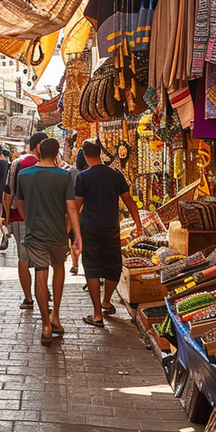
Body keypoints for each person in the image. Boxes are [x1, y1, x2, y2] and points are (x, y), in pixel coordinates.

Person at [16, 138, 82, 347]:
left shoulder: (24, 175)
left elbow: (20, 204)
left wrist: (30, 220)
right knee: (58, 269)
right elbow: (72, 208)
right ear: (57, 153)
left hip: (35, 233)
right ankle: (56, 317)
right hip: (58, 234)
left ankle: (45, 325)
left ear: (39, 152)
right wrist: (77, 237)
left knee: (40, 275)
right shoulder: (63, 176)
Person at [75, 139, 143, 327]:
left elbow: (77, 206)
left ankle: (97, 314)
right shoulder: (115, 174)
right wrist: (138, 225)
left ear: (86, 156)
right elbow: (129, 201)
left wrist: (68, 230)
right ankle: (107, 301)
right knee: (113, 264)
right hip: (112, 226)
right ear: (100, 154)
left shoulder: (82, 177)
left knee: (92, 267)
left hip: (89, 227)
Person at [2, 132, 48, 309]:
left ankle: (29, 297)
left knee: (23, 258)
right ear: (39, 145)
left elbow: (7, 192)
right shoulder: (33, 162)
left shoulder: (16, 162)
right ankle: (37, 295)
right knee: (36, 259)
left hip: (16, 217)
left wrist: (7, 216)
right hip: (31, 216)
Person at [69, 148, 89, 275]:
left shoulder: (71, 172)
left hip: (73, 209)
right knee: (86, 240)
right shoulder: (89, 173)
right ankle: (88, 267)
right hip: (86, 211)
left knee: (73, 237)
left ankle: (75, 265)